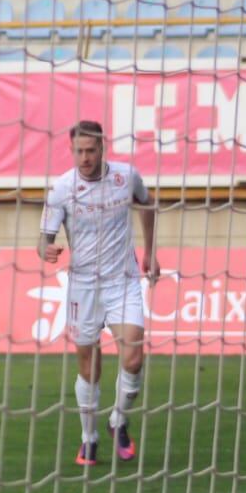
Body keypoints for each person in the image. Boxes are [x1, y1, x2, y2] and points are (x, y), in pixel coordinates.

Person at [38, 120, 159, 466]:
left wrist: (150, 252)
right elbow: (42, 238)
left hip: (123, 280)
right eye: (79, 151)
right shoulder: (62, 188)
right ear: (72, 149)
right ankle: (88, 439)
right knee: (89, 365)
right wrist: (45, 251)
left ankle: (118, 420)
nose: (85, 157)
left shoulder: (126, 177)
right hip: (83, 287)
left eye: (91, 150)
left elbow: (148, 206)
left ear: (103, 148)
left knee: (134, 357)